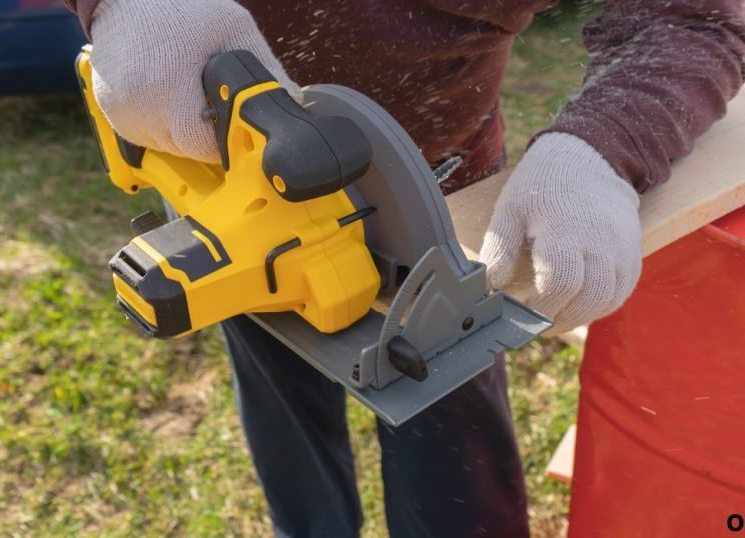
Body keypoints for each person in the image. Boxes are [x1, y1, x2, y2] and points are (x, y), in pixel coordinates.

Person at [63, 0, 745, 536]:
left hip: (436, 197)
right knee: (278, 384)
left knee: (450, 444)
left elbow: (692, 19)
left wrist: (605, 148)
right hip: (233, 176)